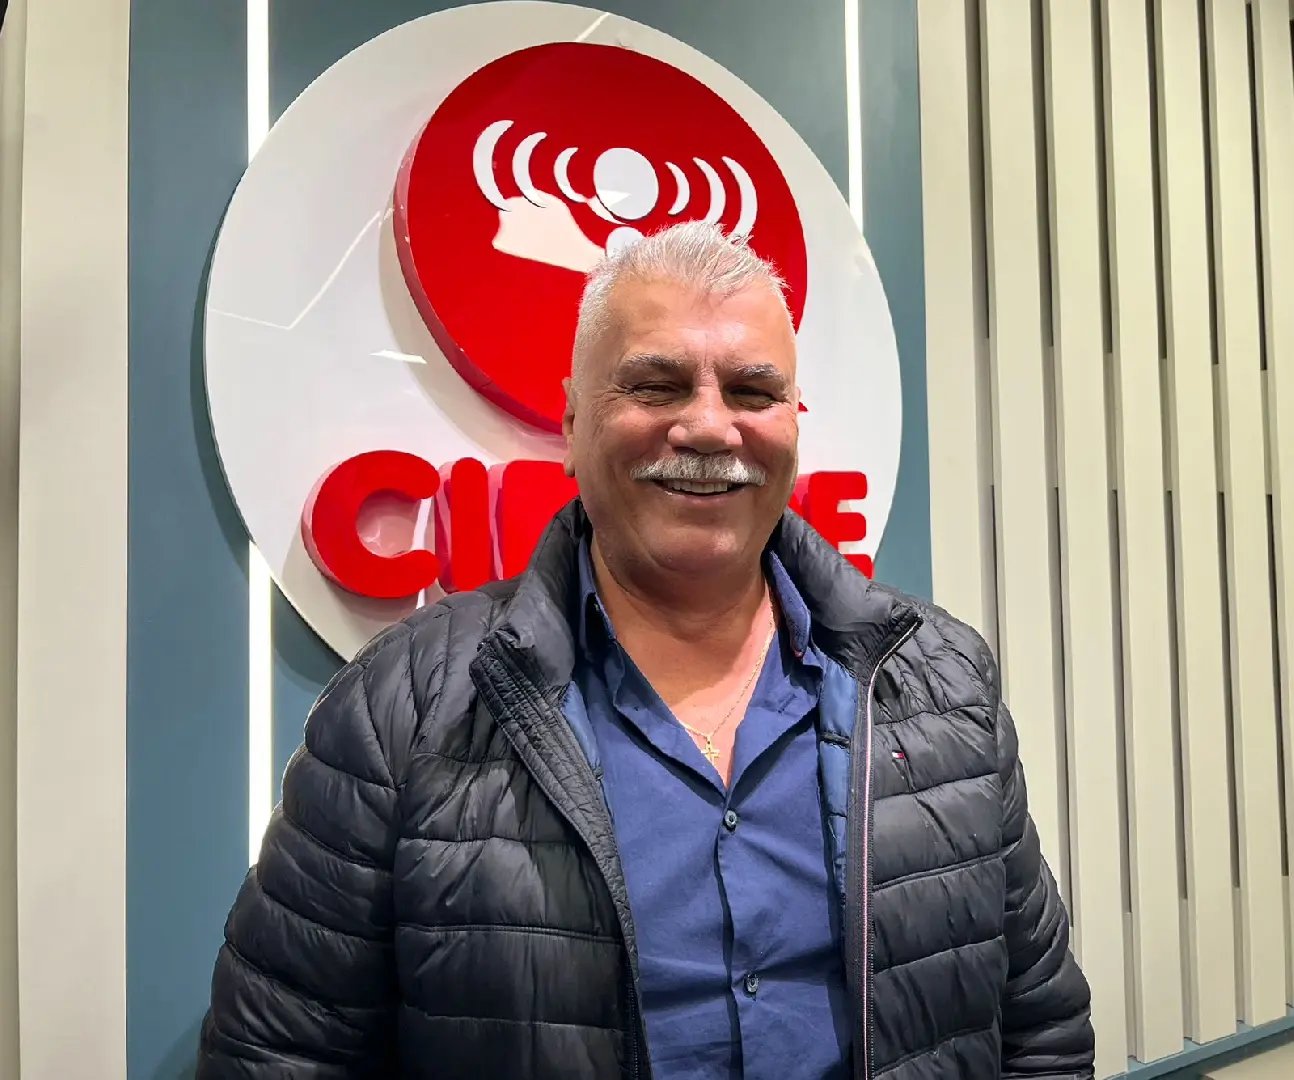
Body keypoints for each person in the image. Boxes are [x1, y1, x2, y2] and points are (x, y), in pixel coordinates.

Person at [197, 221, 1094, 1079]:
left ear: (793, 421)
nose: (709, 427)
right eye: (657, 386)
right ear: (573, 422)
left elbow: (1039, 1032)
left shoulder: (940, 681)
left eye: (752, 392)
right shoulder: (403, 708)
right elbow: (277, 1056)